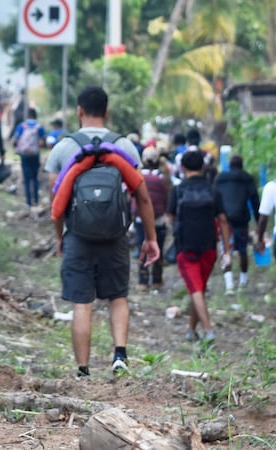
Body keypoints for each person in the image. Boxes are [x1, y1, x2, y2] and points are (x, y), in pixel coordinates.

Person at [45, 86, 160, 377]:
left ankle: (83, 370)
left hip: (78, 236)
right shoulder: (125, 147)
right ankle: (119, 355)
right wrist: (150, 237)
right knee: (117, 297)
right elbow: (142, 197)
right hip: (116, 235)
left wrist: (61, 236)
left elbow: (55, 200)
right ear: (107, 112)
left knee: (81, 304)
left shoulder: (63, 148)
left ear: (79, 111)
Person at [168, 150, 231, 344]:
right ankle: (190, 330)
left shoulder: (178, 191)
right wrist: (226, 250)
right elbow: (223, 220)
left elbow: (171, 218)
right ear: (202, 167)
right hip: (209, 248)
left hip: (186, 248)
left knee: (196, 289)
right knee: (199, 289)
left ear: (183, 168)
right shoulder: (213, 190)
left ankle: (208, 330)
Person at [214, 154, 259, 294]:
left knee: (226, 249)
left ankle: (229, 285)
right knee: (243, 250)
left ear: (229, 165)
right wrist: (258, 223)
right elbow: (255, 200)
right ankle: (243, 281)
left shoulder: (220, 178)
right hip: (241, 219)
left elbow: (214, 196)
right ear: (242, 165)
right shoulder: (246, 178)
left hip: (224, 220)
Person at [135, 147, 170, 292]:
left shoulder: (137, 177)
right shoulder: (162, 179)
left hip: (140, 220)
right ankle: (156, 280)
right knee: (158, 249)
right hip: (159, 219)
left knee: (142, 249)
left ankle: (143, 282)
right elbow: (167, 198)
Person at [12, 108, 45, 208]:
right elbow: (42, 142)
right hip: (35, 154)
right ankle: (36, 199)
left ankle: (28, 202)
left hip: (24, 155)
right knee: (35, 177)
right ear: (35, 116)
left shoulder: (22, 126)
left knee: (26, 178)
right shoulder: (39, 127)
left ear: (27, 115)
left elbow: (15, 140)